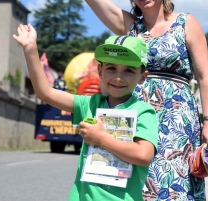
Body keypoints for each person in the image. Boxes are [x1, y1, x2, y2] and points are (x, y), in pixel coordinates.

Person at [85, 0, 208, 200]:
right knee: (134, 177)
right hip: (135, 114)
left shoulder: (186, 22)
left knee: (173, 179)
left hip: (176, 118)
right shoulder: (130, 25)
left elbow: (204, 76)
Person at [13, 25, 158, 201]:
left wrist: (100, 139)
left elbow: (144, 155)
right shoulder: (89, 103)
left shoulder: (144, 111)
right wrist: (30, 49)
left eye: (129, 70)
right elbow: (46, 93)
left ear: (142, 77)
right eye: (111, 68)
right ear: (100, 70)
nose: (118, 77)